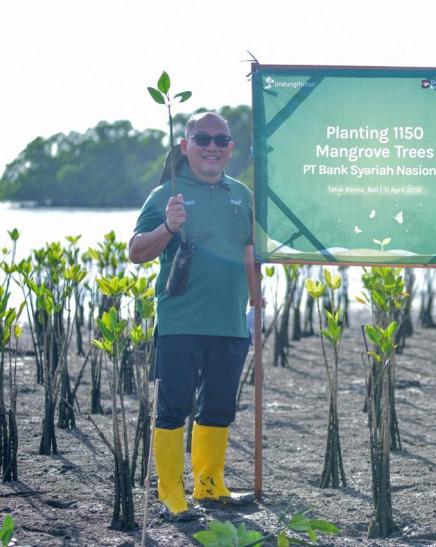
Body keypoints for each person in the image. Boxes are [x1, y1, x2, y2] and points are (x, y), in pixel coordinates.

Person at [129, 112, 258, 521]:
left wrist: (258, 307)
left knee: (220, 406)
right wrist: (169, 225)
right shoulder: (167, 193)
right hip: (180, 323)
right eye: (202, 139)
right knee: (172, 408)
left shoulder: (243, 195)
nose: (212, 147)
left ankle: (210, 486)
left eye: (221, 140)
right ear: (185, 146)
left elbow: (250, 255)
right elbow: (136, 252)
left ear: (230, 148)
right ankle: (171, 495)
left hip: (231, 323)